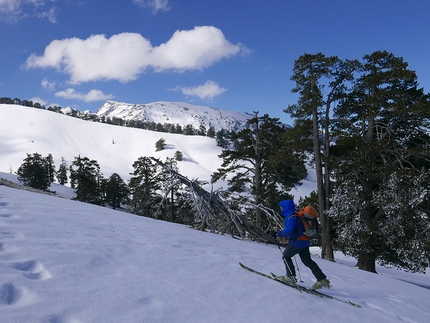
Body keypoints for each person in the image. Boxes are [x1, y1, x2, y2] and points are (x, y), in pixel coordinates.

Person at [274, 199, 330, 290]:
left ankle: (290, 277)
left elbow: (288, 231)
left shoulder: (292, 217)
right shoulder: (295, 215)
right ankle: (322, 279)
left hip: (297, 242)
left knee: (286, 256)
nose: (280, 209)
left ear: (285, 207)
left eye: (281, 207)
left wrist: (277, 233)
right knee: (308, 261)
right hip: (305, 242)